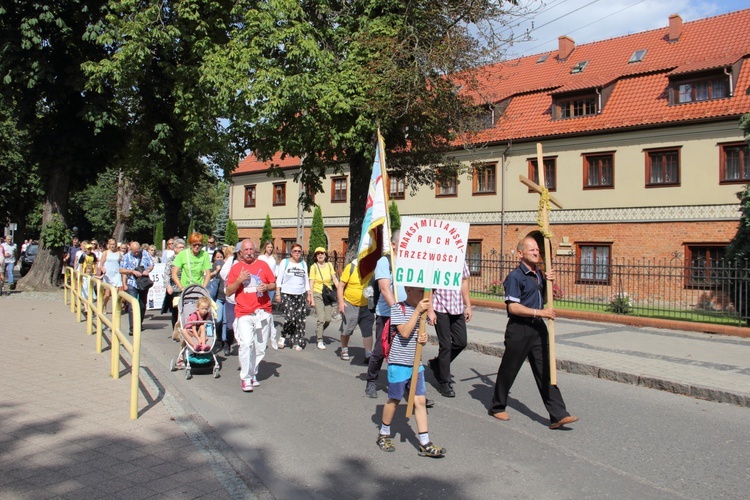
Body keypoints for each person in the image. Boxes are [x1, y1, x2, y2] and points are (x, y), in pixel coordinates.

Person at [488, 236, 579, 430]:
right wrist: (541, 312)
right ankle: (497, 406)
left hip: (538, 329)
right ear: (520, 253)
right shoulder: (515, 277)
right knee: (509, 369)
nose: (537, 252)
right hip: (519, 329)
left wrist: (548, 283)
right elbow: (513, 307)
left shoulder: (539, 274)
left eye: (537, 249)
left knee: (546, 370)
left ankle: (558, 414)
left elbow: (543, 301)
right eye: (532, 250)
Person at [375, 286, 445, 458]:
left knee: (420, 401)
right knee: (395, 399)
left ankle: (424, 442)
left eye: (426, 292)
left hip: (415, 363)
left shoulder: (421, 312)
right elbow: (405, 332)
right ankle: (384, 433)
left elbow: (416, 336)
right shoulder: (398, 308)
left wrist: (422, 339)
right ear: (408, 291)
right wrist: (418, 312)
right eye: (420, 291)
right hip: (399, 363)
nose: (424, 295)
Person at [225, 239, 276, 392]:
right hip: (244, 312)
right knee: (246, 344)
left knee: (260, 347)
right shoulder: (236, 268)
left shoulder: (263, 265)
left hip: (263, 311)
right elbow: (228, 291)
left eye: (251, 250)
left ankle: (253, 373)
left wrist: (267, 286)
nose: (248, 252)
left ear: (255, 251)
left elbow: (273, 283)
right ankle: (246, 378)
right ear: (240, 253)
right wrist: (239, 280)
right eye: (245, 250)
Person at [365, 231, 405, 398]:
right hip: (388, 313)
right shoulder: (385, 261)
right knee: (381, 350)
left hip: (408, 312)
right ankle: (371, 381)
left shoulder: (412, 262)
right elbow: (384, 288)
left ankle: (410, 388)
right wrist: (397, 309)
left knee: (406, 351)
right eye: (403, 242)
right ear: (394, 244)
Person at [428, 262, 472, 398]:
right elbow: (428, 287)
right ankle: (444, 382)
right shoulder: (435, 260)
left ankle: (437, 364)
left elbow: (464, 282)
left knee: (461, 342)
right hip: (440, 307)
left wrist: (468, 305)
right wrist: (430, 310)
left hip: (457, 307)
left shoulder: (460, 260)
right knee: (445, 345)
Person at [337, 259, 375, 362]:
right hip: (350, 304)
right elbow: (341, 286)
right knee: (347, 329)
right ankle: (344, 350)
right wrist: (341, 302)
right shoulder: (351, 267)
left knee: (367, 330)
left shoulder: (372, 268)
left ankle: (368, 353)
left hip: (367, 305)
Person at [275, 243, 310, 351]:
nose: (297, 253)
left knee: (299, 319)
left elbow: (306, 281)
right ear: (291, 252)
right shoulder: (285, 262)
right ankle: (283, 336)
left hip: (300, 294)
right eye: (295, 251)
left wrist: (309, 294)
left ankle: (296, 341)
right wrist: (277, 293)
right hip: (287, 293)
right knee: (290, 318)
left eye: (299, 251)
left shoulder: (303, 264)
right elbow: (279, 278)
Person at [119, 241, 155, 336]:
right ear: (130, 249)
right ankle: (132, 328)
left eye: (137, 251)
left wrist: (147, 270)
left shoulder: (145, 254)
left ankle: (139, 323)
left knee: (142, 305)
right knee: (132, 305)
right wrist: (132, 271)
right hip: (132, 283)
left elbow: (151, 264)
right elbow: (121, 270)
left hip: (143, 283)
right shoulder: (126, 256)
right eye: (134, 251)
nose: (136, 253)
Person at [309, 246, 340, 350]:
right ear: (315, 256)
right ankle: (320, 339)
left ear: (325, 255)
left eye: (322, 253)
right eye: (318, 254)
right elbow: (311, 283)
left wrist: (340, 290)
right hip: (317, 293)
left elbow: (334, 278)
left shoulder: (329, 265)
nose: (320, 255)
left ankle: (319, 330)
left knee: (327, 319)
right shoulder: (314, 267)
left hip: (327, 294)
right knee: (321, 318)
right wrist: (311, 298)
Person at [219, 242, 242, 356]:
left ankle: (243, 346)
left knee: (243, 324)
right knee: (229, 324)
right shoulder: (231, 260)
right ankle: (228, 343)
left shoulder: (249, 262)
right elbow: (223, 274)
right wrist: (235, 276)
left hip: (243, 299)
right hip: (231, 298)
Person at [163, 238, 186, 330]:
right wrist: (168, 286)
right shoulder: (171, 260)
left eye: (183, 247)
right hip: (175, 288)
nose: (182, 249)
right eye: (180, 247)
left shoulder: (186, 259)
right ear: (175, 248)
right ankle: (176, 331)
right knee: (176, 310)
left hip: (185, 286)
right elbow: (167, 274)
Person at [208, 249, 226, 352]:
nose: (219, 259)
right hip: (216, 296)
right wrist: (215, 271)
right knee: (217, 319)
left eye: (221, 257)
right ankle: (213, 337)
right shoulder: (214, 265)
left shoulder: (227, 265)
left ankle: (223, 341)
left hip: (226, 297)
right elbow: (207, 276)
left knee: (225, 321)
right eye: (217, 257)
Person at [99, 239, 122, 314]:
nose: (112, 246)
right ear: (108, 245)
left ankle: (115, 308)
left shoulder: (119, 253)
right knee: (107, 294)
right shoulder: (106, 253)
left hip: (116, 274)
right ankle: (104, 305)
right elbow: (101, 265)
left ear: (116, 245)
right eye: (111, 244)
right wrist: (103, 269)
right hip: (108, 275)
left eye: (113, 244)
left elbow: (121, 264)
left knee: (116, 292)